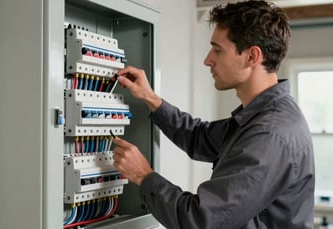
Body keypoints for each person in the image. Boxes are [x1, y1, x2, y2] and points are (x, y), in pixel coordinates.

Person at [112, 0, 315, 228]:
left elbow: (201, 220)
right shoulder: (262, 117)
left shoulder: (269, 133)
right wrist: (151, 99)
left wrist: (144, 176)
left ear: (252, 56)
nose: (208, 60)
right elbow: (199, 137)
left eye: (217, 50)